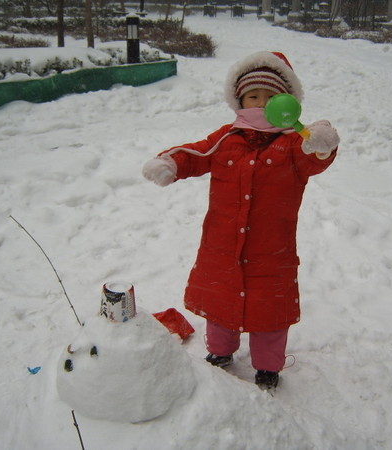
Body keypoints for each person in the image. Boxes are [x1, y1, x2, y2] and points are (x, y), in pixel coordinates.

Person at [142, 51, 340, 390]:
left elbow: (316, 156)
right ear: (239, 99)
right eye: (253, 96)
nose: (261, 104)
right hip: (221, 244)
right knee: (221, 301)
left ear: (287, 102)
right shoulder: (227, 136)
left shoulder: (294, 142)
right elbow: (199, 152)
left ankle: (267, 367)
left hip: (271, 250)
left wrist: (322, 144)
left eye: (270, 97)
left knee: (269, 311)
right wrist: (171, 163)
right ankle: (219, 352)